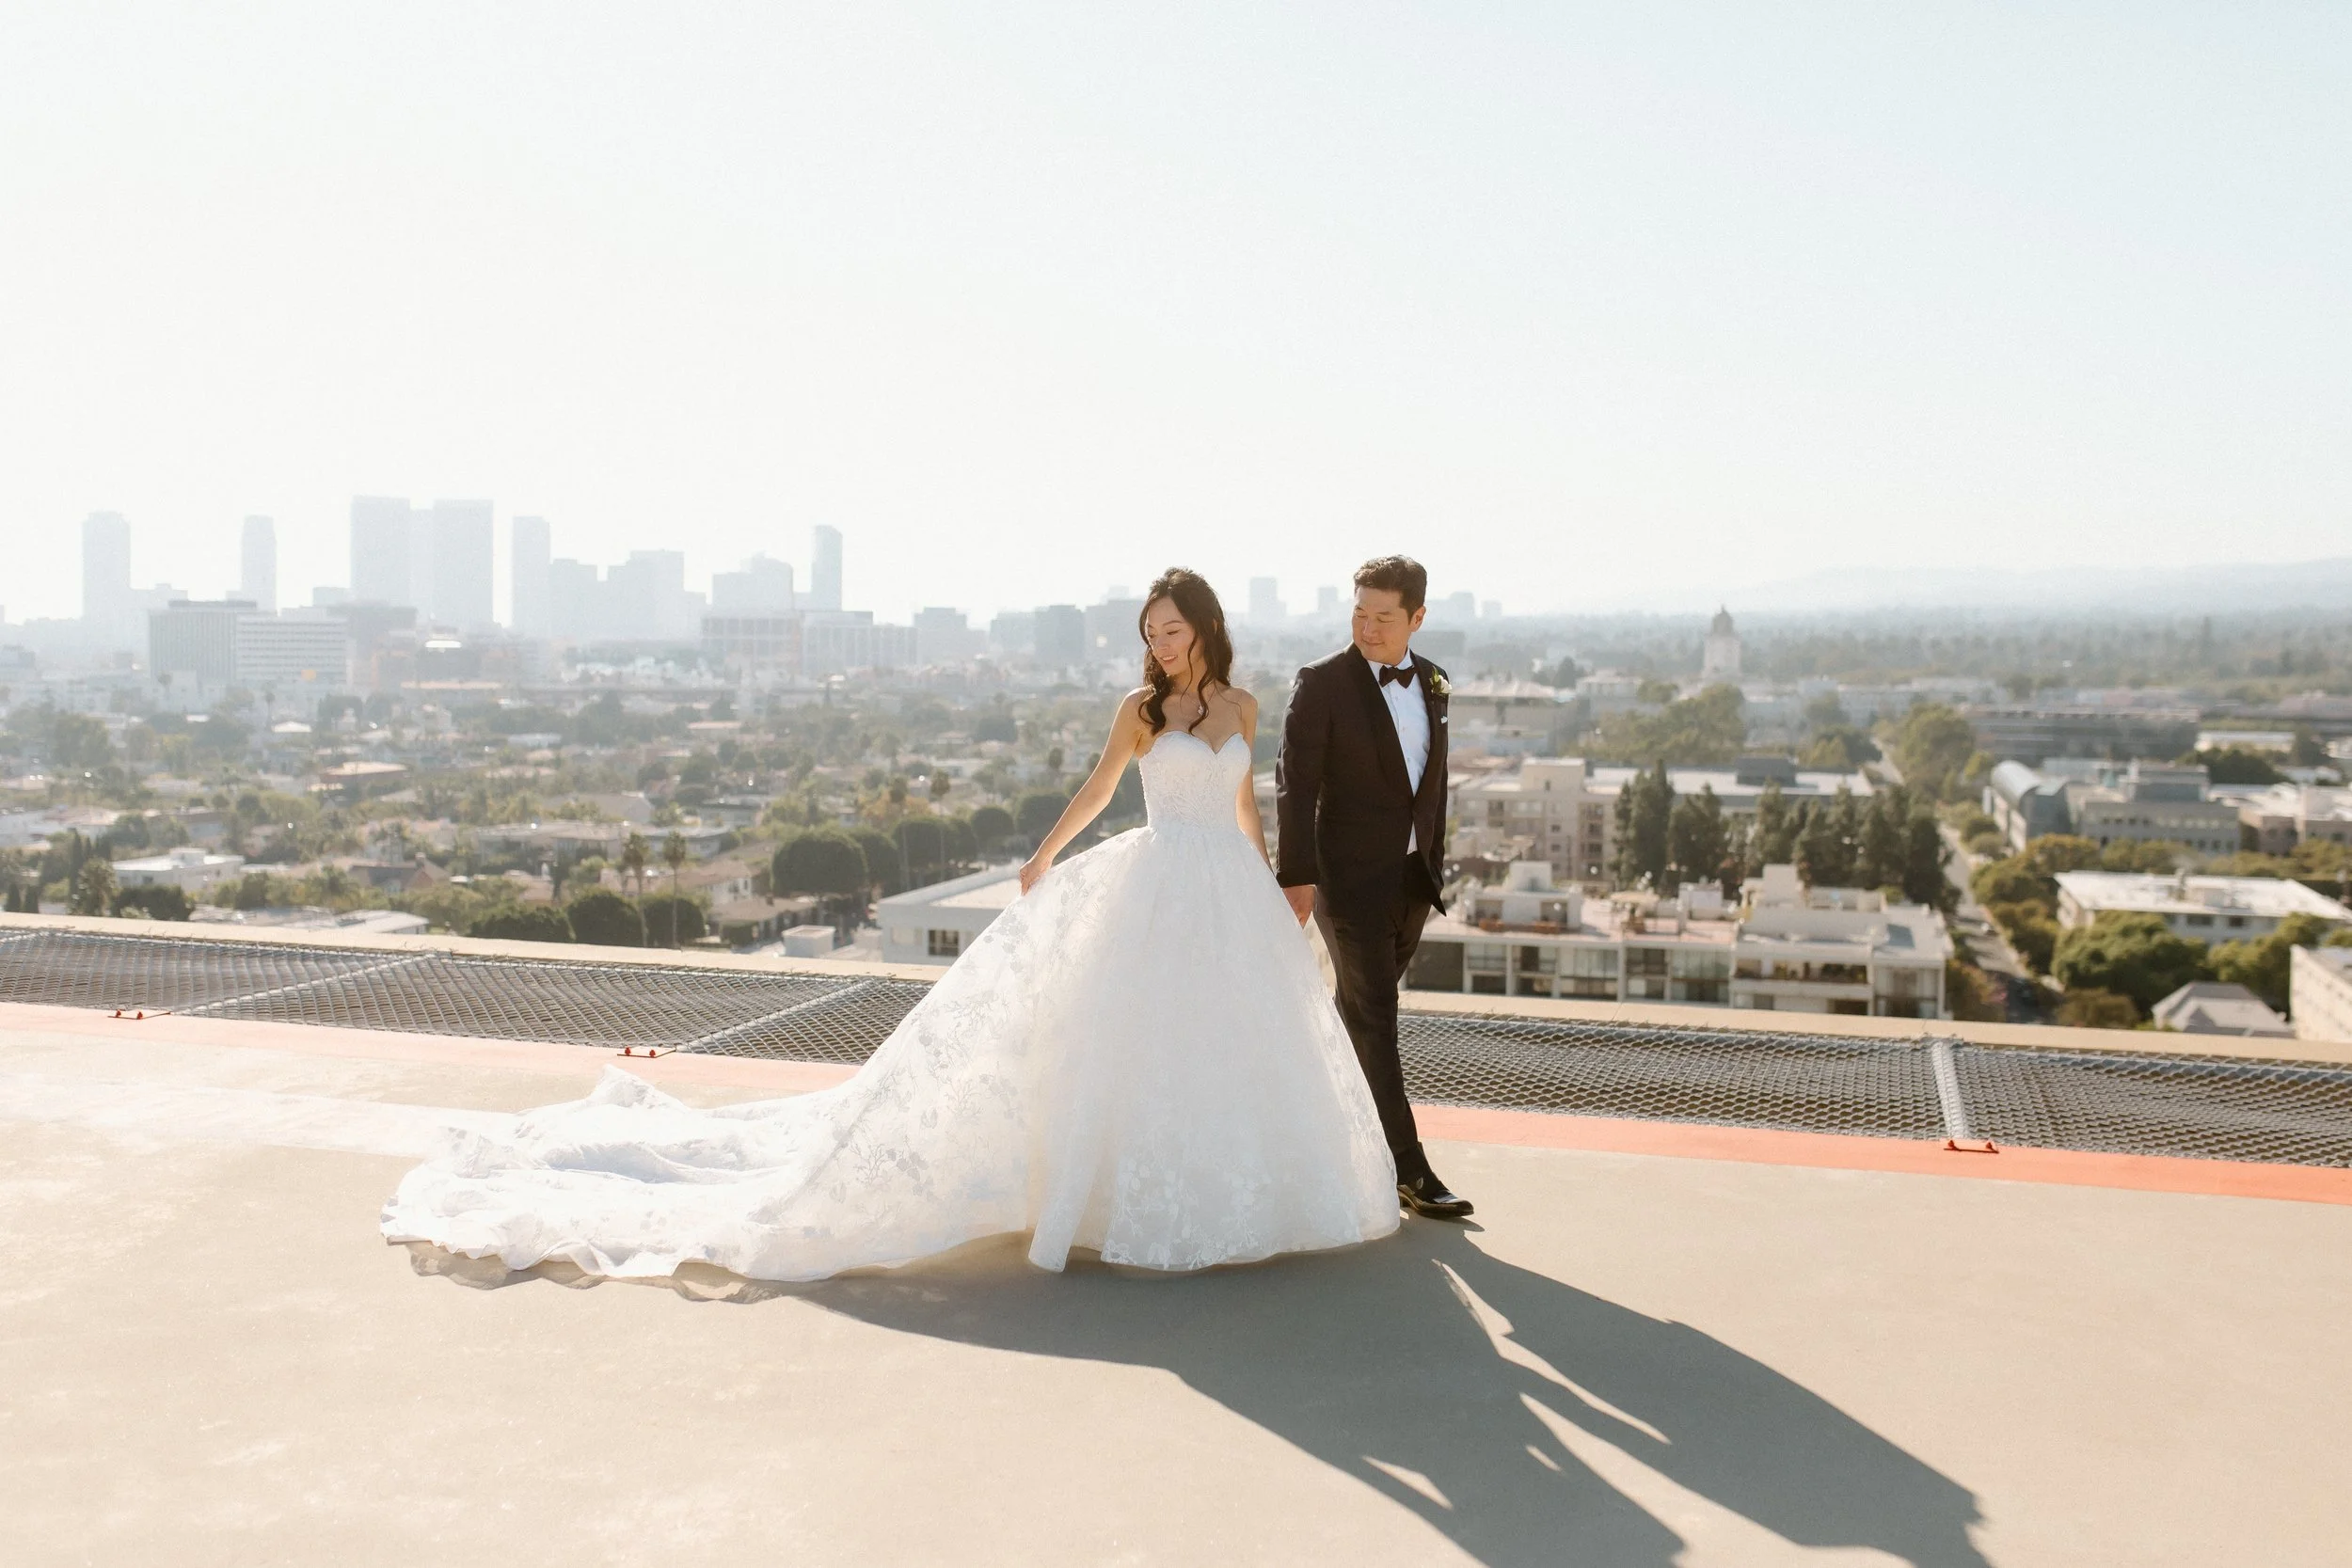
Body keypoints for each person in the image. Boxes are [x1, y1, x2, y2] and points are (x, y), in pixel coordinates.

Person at [381, 568, 1400, 1283]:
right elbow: (1099, 789)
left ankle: (1233, 1202)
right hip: (1151, 883)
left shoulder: (1243, 707)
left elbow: (1246, 807)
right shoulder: (1138, 711)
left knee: (1221, 1047)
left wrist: (1273, 882)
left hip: (1223, 887)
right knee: (1127, 1045)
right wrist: (1044, 853)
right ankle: (1120, 1207)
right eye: (1148, 631)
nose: (1157, 644)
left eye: (1170, 629)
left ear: (1205, 629)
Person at [1276, 556, 1473, 1218]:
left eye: (1384, 616)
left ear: (1416, 617)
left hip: (1413, 880)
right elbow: (1294, 785)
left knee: (1353, 1020)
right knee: (1376, 1021)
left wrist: (1433, 861)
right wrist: (1297, 878)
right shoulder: (1323, 683)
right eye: (1359, 612)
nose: (1368, 627)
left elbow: (1432, 786)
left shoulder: (1435, 681)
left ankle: (1307, 1134)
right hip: (1347, 882)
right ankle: (1409, 1171)